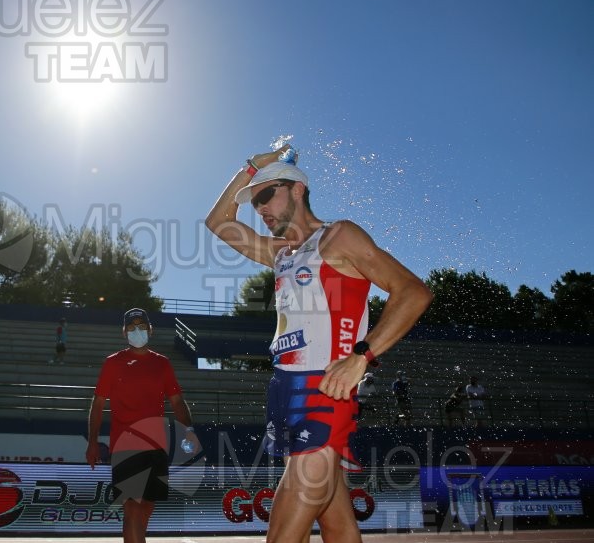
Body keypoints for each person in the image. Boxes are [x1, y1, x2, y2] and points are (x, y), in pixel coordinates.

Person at [205, 144, 432, 543]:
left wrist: (362, 356)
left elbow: (413, 292)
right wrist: (250, 169)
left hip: (324, 390)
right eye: (254, 202)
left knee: (282, 534)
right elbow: (218, 221)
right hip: (283, 389)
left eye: (264, 195)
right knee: (335, 519)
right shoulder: (281, 253)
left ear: (296, 189)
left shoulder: (338, 236)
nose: (259, 209)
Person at [86, 308, 197, 543]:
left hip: (156, 446)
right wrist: (93, 443)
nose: (138, 331)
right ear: (124, 332)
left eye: (142, 327)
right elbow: (97, 404)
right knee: (132, 508)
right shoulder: (113, 363)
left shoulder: (162, 364)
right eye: (132, 327)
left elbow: (177, 401)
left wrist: (189, 431)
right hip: (125, 444)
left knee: (146, 507)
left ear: (151, 330)